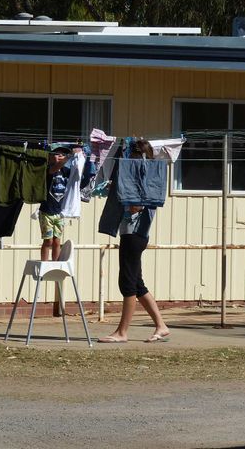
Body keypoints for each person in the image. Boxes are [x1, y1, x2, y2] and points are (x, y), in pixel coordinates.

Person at [98, 140, 170, 343]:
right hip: (132, 234)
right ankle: (161, 326)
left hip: (134, 234)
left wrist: (126, 195)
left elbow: (137, 207)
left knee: (127, 283)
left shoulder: (143, 178)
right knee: (138, 284)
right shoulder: (142, 177)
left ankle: (122, 332)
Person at [38, 145, 80, 261]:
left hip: (60, 211)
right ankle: (44, 264)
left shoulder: (66, 171)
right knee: (48, 240)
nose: (60, 156)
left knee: (57, 241)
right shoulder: (47, 169)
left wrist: (80, 157)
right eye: (57, 154)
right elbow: (55, 168)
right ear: (50, 156)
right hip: (47, 211)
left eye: (63, 154)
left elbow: (77, 173)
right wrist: (68, 157)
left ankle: (56, 266)